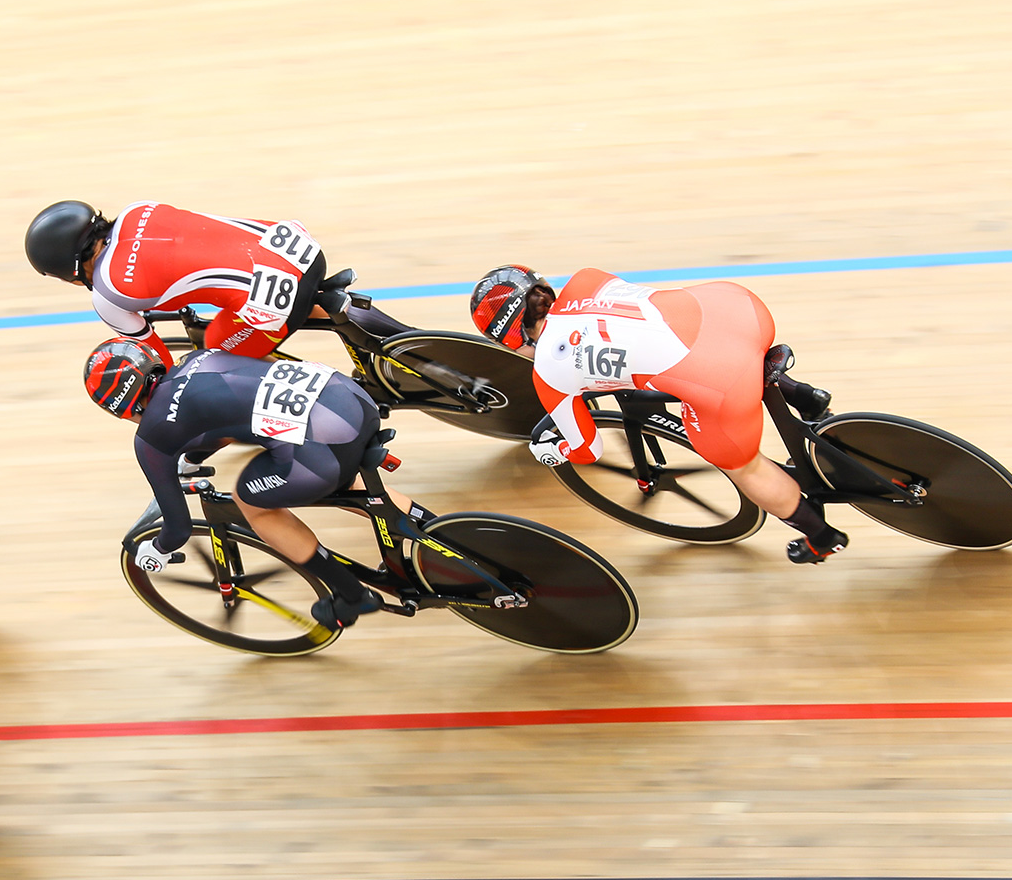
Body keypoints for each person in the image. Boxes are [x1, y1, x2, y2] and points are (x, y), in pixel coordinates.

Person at [470, 265, 847, 563]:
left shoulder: (549, 374)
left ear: (509, 338)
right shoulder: (588, 278)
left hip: (722, 376)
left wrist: (555, 452)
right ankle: (805, 397)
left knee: (741, 463)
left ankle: (822, 537)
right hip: (735, 306)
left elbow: (588, 449)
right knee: (705, 359)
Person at [85, 339, 434, 629]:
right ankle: (440, 533)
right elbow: (219, 416)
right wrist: (192, 459)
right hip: (350, 397)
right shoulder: (197, 357)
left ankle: (352, 596)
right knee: (330, 479)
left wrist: (155, 551)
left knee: (251, 498)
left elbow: (177, 528)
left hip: (324, 444)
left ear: (117, 409)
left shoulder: (151, 438)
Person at [27, 200, 358, 367]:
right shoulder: (137, 210)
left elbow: (159, 366)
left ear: (69, 271)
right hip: (301, 249)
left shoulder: (108, 295)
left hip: (275, 301)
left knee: (213, 357)